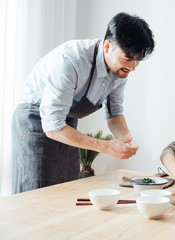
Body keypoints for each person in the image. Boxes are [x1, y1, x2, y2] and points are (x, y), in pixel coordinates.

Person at [11, 12, 155, 194]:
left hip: (66, 124)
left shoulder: (121, 71)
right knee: (36, 194)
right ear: (108, 46)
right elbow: (53, 126)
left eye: (137, 61)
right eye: (128, 58)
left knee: (69, 190)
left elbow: (114, 113)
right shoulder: (70, 61)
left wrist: (125, 137)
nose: (132, 67)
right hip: (35, 122)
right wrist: (107, 147)